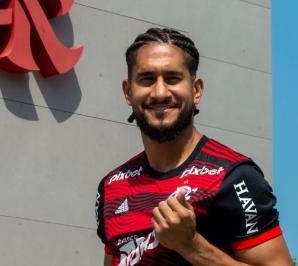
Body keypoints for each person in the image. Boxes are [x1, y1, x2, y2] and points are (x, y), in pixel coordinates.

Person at [95, 28, 292, 266]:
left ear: (196, 90)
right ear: (128, 92)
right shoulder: (111, 186)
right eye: (146, 79)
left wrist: (191, 245)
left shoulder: (235, 177)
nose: (159, 92)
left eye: (172, 78)